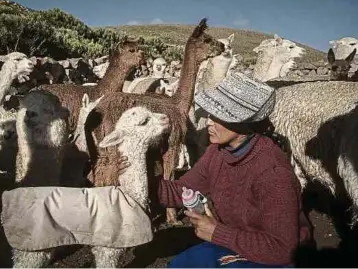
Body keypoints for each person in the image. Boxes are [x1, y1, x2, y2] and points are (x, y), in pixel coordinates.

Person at [119, 72, 311, 267]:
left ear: (244, 123)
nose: (209, 122)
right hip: (232, 241)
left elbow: (281, 249)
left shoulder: (273, 174)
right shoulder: (218, 152)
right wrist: (138, 177)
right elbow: (182, 191)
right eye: (211, 114)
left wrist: (217, 232)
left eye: (220, 116)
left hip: (271, 257)